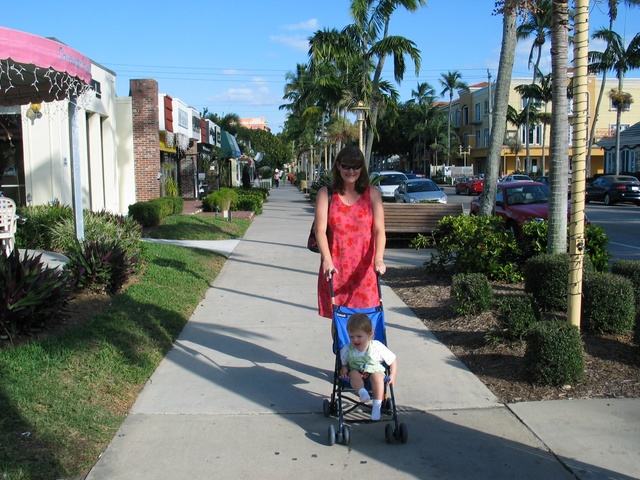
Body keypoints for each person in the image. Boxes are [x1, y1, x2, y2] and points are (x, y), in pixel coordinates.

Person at [315, 145, 386, 321]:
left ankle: (361, 351)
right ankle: (342, 350)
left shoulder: (373, 194)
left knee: (365, 323)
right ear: (338, 166)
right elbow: (320, 230)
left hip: (365, 270)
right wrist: (327, 260)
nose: (351, 171)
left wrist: (379, 259)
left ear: (362, 168)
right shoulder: (326, 194)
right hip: (336, 268)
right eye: (346, 165)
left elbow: (379, 231)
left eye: (356, 166)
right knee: (339, 320)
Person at [339, 313, 397, 421]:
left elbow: (392, 360)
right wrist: (344, 369)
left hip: (374, 371)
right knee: (353, 374)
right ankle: (362, 392)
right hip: (357, 371)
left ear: (369, 334)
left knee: (377, 377)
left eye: (359, 336)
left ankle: (376, 406)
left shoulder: (377, 346)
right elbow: (344, 363)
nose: (355, 340)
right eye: (351, 337)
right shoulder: (347, 349)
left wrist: (393, 374)